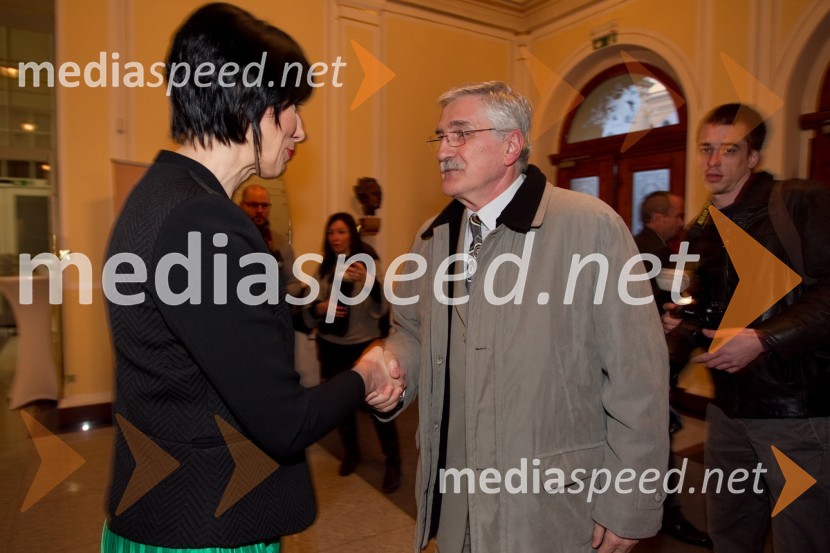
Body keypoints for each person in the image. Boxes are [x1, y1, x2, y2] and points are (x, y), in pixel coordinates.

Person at [102, 4, 402, 551]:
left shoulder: (156, 197)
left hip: (164, 512)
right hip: (205, 527)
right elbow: (285, 422)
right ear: (250, 103)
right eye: (291, 109)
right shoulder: (205, 223)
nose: (301, 130)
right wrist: (366, 372)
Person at [376, 81, 669, 553]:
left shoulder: (589, 227)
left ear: (511, 144)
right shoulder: (433, 239)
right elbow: (410, 330)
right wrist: (390, 370)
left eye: (460, 134)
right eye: (440, 137)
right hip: (459, 502)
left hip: (548, 508)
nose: (443, 151)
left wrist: (630, 501)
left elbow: (640, 377)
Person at [662, 103, 830, 553]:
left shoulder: (797, 201)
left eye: (729, 150)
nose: (713, 162)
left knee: (803, 538)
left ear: (753, 157)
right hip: (728, 409)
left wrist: (763, 339)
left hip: (793, 412)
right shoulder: (704, 224)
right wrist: (680, 320)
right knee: (729, 532)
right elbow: (707, 306)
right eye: (706, 149)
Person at [634, 193, 713, 548]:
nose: (680, 222)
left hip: (640, 362)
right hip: (644, 362)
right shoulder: (655, 252)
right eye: (676, 215)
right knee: (655, 439)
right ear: (659, 218)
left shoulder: (637, 244)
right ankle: (665, 514)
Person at [303, 213, 402, 493]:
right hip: (331, 345)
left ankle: (393, 461)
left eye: (342, 232)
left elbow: (384, 307)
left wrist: (369, 281)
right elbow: (309, 308)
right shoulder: (323, 268)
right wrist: (320, 308)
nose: (336, 238)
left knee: (379, 406)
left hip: (363, 347)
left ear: (352, 235)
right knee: (340, 405)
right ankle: (351, 453)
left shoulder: (367, 261)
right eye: (331, 232)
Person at [238, 183, 303, 298]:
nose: (259, 210)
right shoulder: (232, 238)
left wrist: (275, 297)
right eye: (253, 205)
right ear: (242, 205)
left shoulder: (281, 243)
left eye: (264, 206)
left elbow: (293, 284)